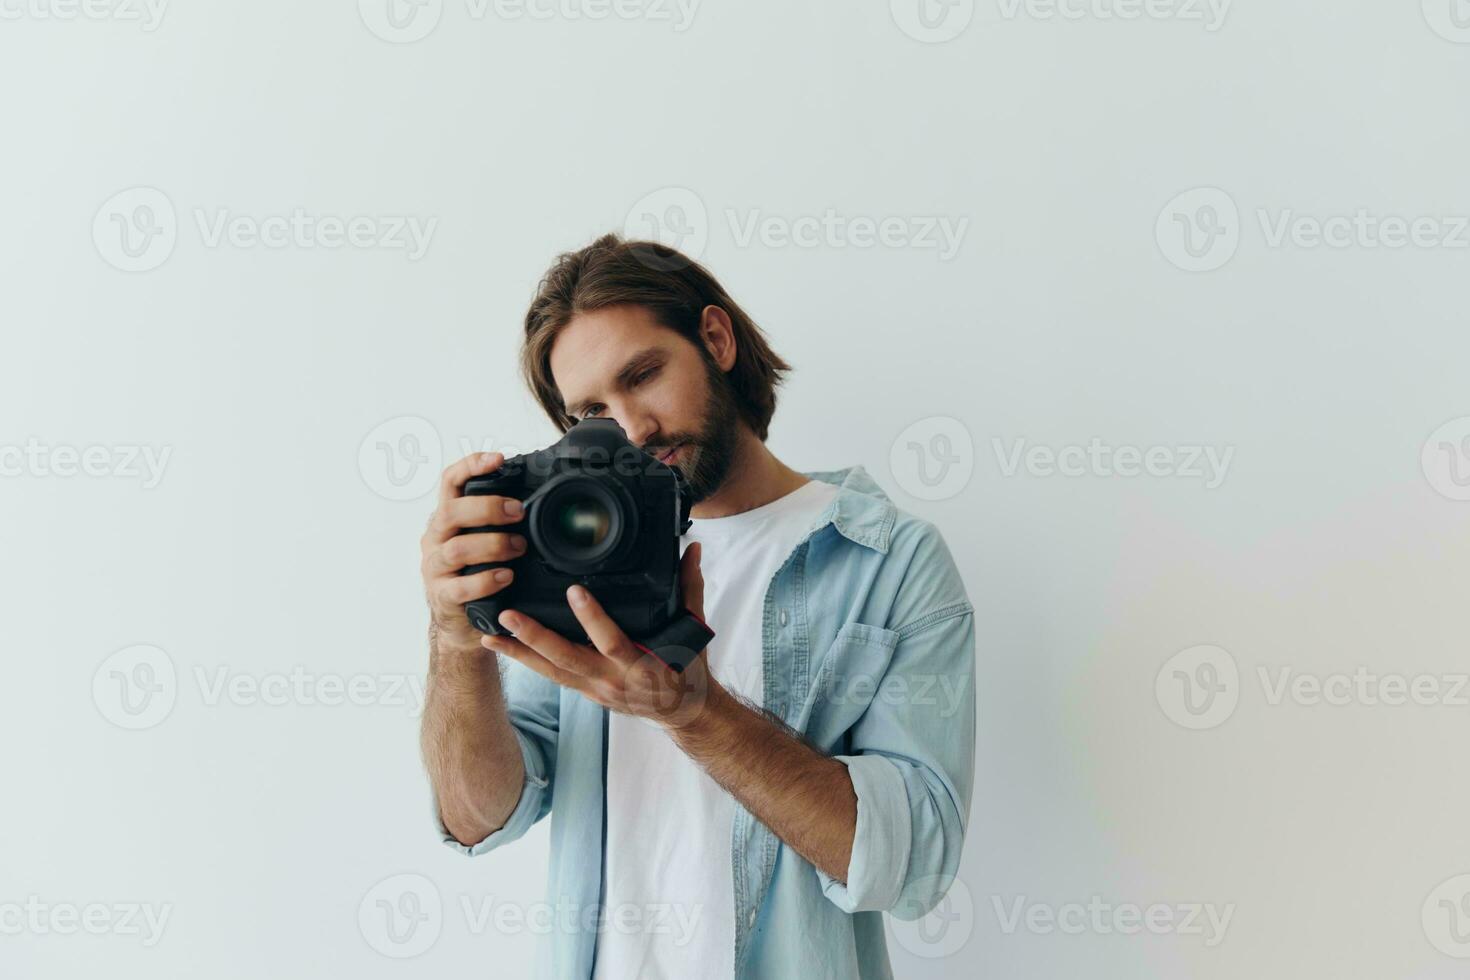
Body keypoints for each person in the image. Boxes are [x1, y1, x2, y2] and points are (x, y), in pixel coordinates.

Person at [419, 234, 975, 979]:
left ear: (714, 339)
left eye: (644, 375)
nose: (634, 430)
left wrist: (695, 712)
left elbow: (915, 868)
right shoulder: (561, 556)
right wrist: (455, 642)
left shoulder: (887, 559)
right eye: (592, 409)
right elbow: (476, 815)